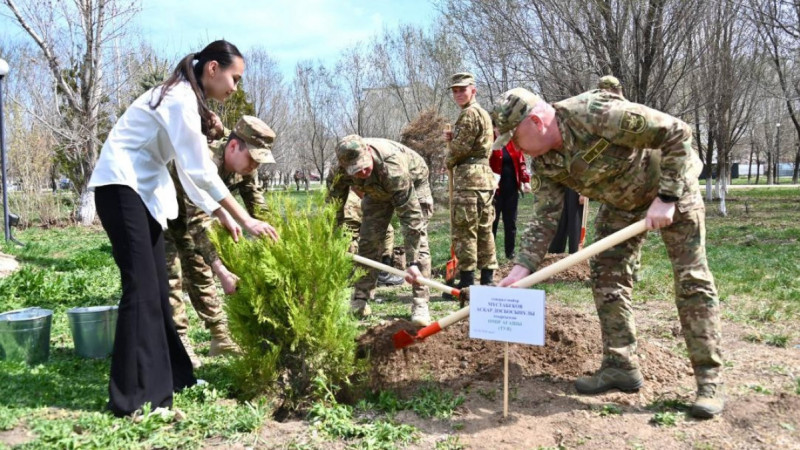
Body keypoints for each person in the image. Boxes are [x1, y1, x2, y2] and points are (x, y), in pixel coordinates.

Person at [493, 87, 724, 419]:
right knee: (606, 278)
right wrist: (522, 268)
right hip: (622, 206)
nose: (513, 146)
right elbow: (545, 216)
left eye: (514, 136)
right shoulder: (545, 161)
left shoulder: (595, 113)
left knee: (692, 281)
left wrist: (668, 197)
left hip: (671, 189)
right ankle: (620, 365)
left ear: (535, 121)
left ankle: (709, 381)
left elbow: (677, 132)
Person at [88, 40, 279, 418]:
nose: (234, 88)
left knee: (158, 288)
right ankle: (133, 400)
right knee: (141, 290)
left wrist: (222, 213)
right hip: (120, 188)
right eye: (234, 78)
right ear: (213, 68)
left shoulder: (185, 98)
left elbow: (190, 174)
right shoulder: (178, 99)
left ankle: (176, 378)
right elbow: (198, 169)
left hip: (141, 191)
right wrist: (244, 218)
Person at [167, 115, 276, 368]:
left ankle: (219, 337)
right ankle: (180, 342)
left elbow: (256, 205)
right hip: (160, 214)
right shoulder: (201, 162)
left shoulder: (243, 165)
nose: (254, 166)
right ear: (234, 146)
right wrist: (221, 270)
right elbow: (196, 225)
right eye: (253, 158)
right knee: (171, 275)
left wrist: (275, 236)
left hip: (192, 218)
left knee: (198, 265)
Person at [330, 135, 434, 326]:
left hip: (413, 180)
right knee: (369, 241)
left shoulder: (393, 166)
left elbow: (411, 219)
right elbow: (333, 206)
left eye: (364, 165)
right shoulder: (338, 171)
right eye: (356, 170)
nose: (362, 171)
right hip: (376, 191)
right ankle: (360, 299)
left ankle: (420, 303)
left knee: (420, 244)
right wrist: (333, 238)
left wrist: (411, 261)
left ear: (368, 151)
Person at [445, 72, 498, 288]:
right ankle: (487, 279)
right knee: (485, 229)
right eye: (455, 90)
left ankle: (466, 282)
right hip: (484, 179)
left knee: (466, 230)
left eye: (462, 89)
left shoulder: (469, 114)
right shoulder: (484, 114)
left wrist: (448, 159)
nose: (458, 94)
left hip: (469, 180)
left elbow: (461, 148)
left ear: (473, 90)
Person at [326, 170, 404, 287]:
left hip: (342, 250)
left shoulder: (349, 195)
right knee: (386, 231)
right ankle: (380, 273)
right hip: (348, 254)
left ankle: (379, 270)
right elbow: (348, 234)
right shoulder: (352, 202)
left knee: (386, 229)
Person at [489, 138, 531, 259]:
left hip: (511, 191)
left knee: (510, 223)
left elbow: (521, 163)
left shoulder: (513, 143)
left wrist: (526, 181)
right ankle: (490, 253)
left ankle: (510, 252)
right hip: (495, 192)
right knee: (492, 222)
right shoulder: (490, 143)